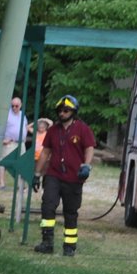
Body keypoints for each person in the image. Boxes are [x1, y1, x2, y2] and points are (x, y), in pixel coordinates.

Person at [33, 94, 96, 257]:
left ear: (73, 111)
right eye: (60, 110)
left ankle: (69, 246)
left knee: (70, 212)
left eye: (66, 110)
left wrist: (86, 166)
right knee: (47, 206)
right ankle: (47, 242)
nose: (62, 113)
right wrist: (36, 174)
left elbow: (89, 148)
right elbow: (45, 152)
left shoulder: (82, 129)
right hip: (54, 175)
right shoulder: (53, 130)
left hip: (74, 177)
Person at [0, 96, 30, 188]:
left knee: (21, 163)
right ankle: (1, 183)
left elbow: (25, 126)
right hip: (10, 142)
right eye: (12, 106)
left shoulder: (22, 114)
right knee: (4, 162)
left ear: (20, 105)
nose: (14, 108)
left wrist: (24, 137)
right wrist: (2, 140)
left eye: (16, 106)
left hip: (20, 143)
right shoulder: (6, 114)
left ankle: (20, 184)